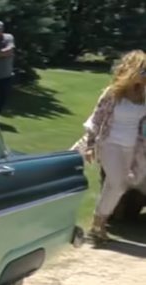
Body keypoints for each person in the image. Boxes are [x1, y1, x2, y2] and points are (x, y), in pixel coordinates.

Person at [72, 50, 146, 242]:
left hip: (131, 147)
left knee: (118, 186)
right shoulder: (113, 93)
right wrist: (89, 145)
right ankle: (99, 223)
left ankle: (98, 224)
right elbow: (96, 120)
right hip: (110, 143)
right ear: (133, 70)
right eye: (143, 71)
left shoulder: (143, 96)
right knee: (117, 182)